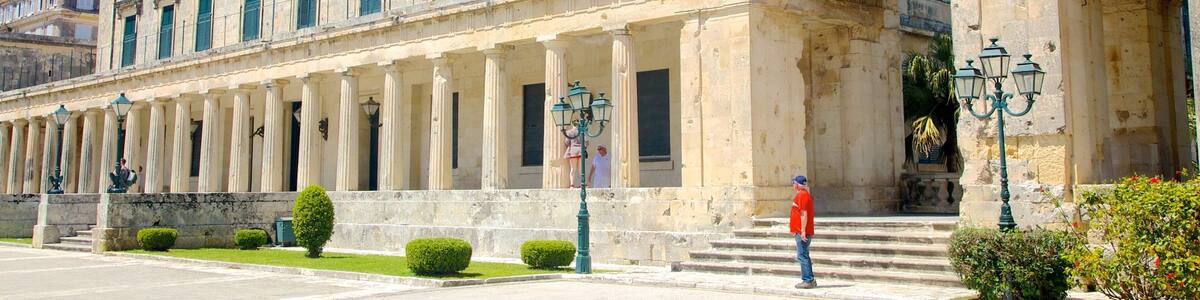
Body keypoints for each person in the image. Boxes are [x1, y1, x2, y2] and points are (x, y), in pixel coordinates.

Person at [791, 175, 817, 289]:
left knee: (802, 256)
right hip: (802, 230)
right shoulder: (804, 194)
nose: (793, 185)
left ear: (797, 184)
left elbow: (803, 214)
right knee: (804, 255)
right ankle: (810, 279)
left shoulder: (802, 194)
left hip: (802, 231)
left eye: (793, 183)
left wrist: (802, 231)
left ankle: (808, 280)